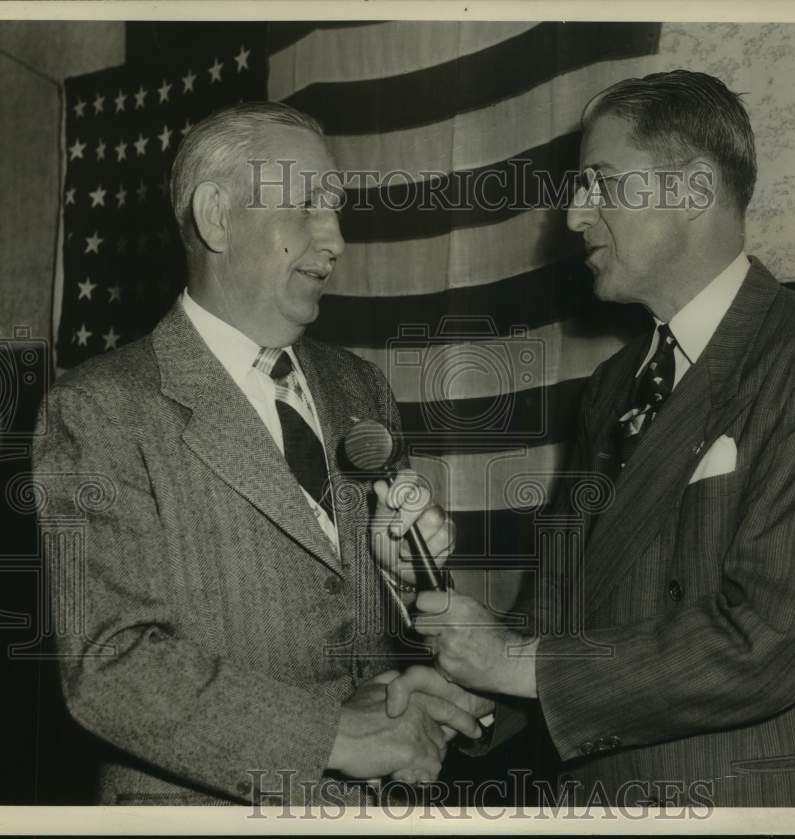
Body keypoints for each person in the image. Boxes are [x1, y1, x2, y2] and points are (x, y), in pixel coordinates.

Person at [386, 70, 795, 807]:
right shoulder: (613, 383)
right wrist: (458, 693)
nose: (572, 215)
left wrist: (514, 662)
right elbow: (564, 612)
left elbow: (770, 641)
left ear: (691, 190)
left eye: (599, 182)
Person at [31, 102, 490, 807]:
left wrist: (402, 599)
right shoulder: (100, 407)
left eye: (335, 209)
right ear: (217, 217)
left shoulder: (358, 384)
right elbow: (112, 665)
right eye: (306, 206)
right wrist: (339, 735)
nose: (334, 240)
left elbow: (344, 621)